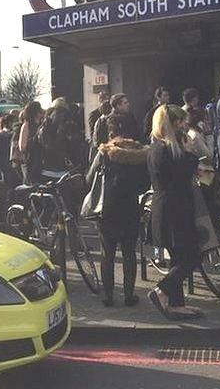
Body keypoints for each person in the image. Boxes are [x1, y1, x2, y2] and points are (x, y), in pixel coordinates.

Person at [87, 114, 149, 307]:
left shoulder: (105, 152)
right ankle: (129, 295)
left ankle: (108, 296)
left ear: (111, 131)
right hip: (130, 207)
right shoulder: (140, 153)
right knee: (130, 253)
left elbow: (90, 178)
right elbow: (144, 184)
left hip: (108, 209)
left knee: (108, 253)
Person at [146, 105, 202, 321]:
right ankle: (161, 290)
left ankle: (176, 305)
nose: (183, 125)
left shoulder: (156, 148)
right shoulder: (167, 150)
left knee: (179, 257)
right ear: (170, 123)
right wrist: (189, 152)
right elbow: (183, 172)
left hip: (166, 209)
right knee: (192, 256)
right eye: (179, 122)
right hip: (175, 211)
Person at [15, 101, 45, 184]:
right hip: (30, 161)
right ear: (35, 112)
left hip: (41, 162)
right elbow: (22, 146)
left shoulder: (42, 124)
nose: (42, 112)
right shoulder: (26, 125)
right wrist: (35, 139)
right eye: (40, 110)